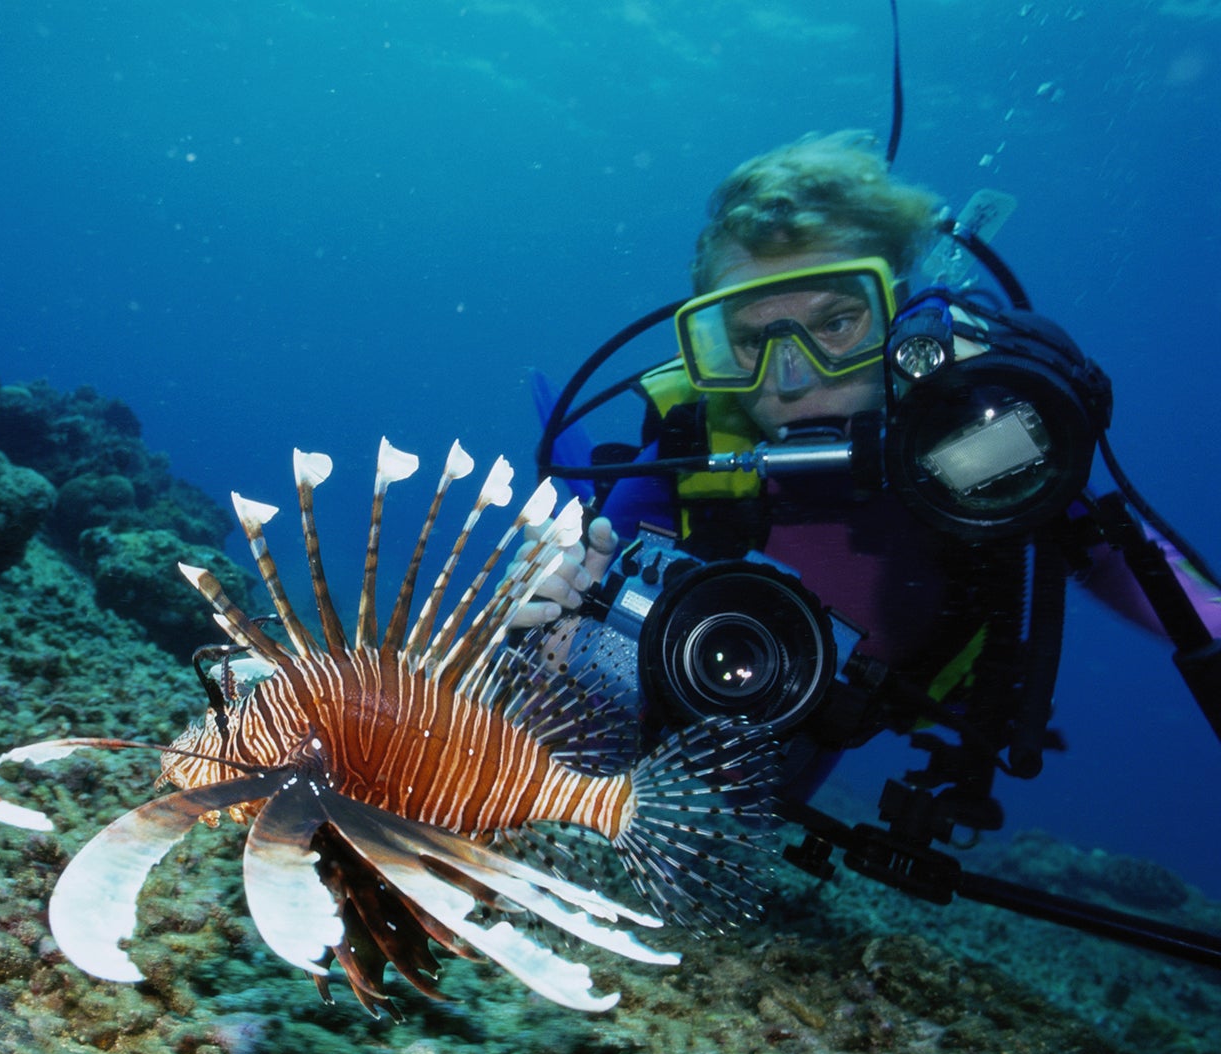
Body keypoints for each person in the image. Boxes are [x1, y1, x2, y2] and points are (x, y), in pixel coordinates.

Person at [516, 130, 1221, 809]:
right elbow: (592, 595)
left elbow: (1104, 553)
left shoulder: (967, 443)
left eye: (836, 325)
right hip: (708, 693)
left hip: (851, 710)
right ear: (714, 344)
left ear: (900, 314)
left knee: (774, 790)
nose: (793, 378)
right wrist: (555, 610)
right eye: (753, 338)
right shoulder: (694, 444)